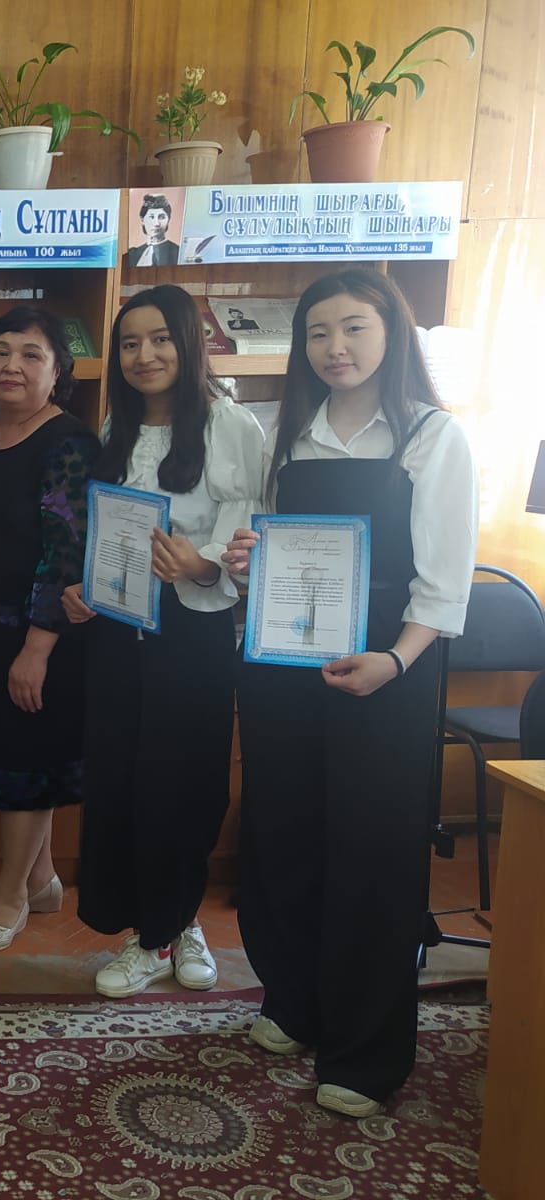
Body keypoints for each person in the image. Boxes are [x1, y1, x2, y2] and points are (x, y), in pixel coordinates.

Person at [222, 268, 477, 1118]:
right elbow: (266, 549)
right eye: (319, 332)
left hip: (385, 673)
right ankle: (294, 1003)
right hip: (284, 668)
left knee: (372, 854)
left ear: (392, 334)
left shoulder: (433, 436)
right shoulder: (284, 432)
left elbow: (443, 586)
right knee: (283, 838)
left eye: (355, 328)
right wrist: (245, 562)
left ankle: (365, 1054)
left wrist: (394, 662)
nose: (336, 347)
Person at [58, 285, 264, 995]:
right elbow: (102, 530)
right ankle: (152, 927)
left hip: (191, 630)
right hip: (119, 631)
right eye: (129, 343)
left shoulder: (230, 425)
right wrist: (84, 589)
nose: (144, 355)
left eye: (160, 339)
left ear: (188, 341)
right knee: (120, 781)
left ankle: (169, 927)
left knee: (183, 784)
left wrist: (201, 564)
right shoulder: (115, 426)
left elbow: (248, 532)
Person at [0, 306, 98, 953]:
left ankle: (10, 896)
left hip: (39, 636)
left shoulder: (69, 444)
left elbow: (67, 553)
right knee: (15, 758)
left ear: (58, 372)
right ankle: (41, 878)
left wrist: (36, 648)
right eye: (1, 352)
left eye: (32, 355)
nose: (12, 366)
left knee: (27, 762)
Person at [126, 193, 180, 266]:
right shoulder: (132, 254)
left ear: (168, 219)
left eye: (161, 217)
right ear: (142, 220)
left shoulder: (177, 252)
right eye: (151, 217)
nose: (156, 223)